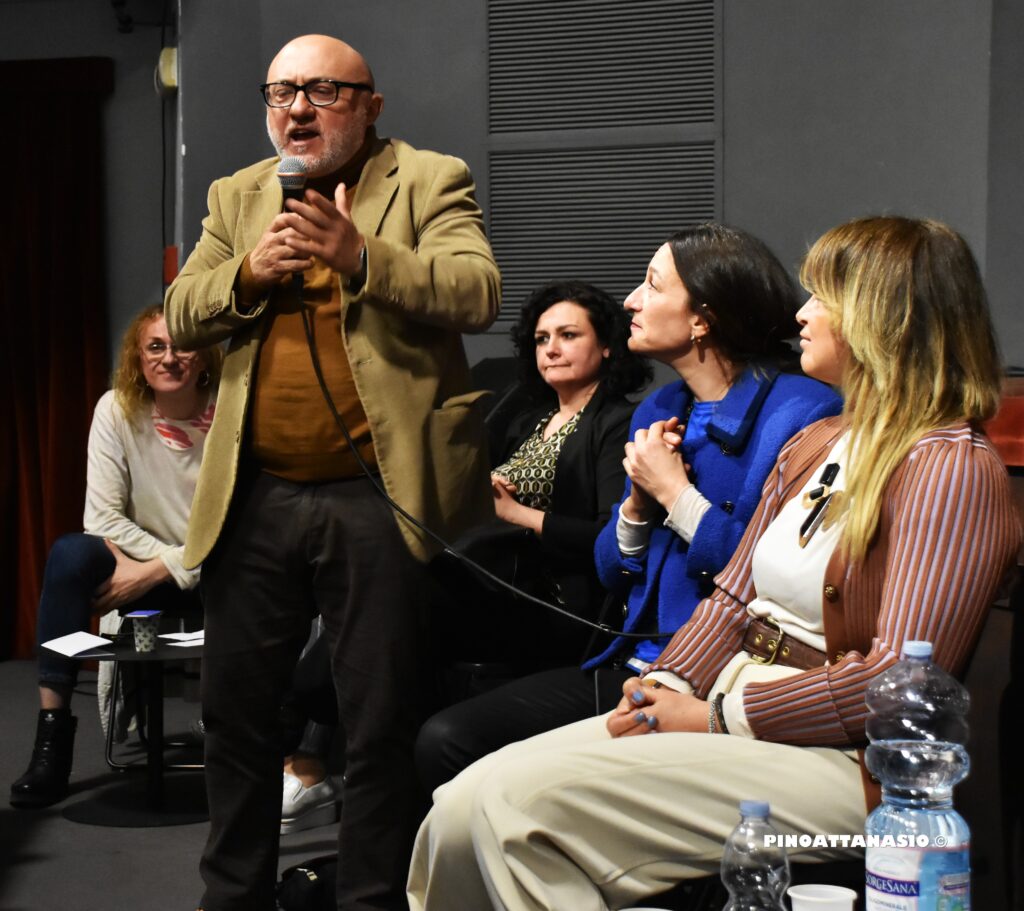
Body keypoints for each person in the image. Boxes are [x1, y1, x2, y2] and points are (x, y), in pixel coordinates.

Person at [407, 216, 1022, 911]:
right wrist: (663, 683)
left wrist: (719, 714)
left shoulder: (950, 466)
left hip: (844, 765)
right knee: (458, 805)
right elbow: (732, 596)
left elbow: (894, 687)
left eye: (822, 298)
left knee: (510, 810)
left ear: (885, 319)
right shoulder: (822, 440)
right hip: (731, 705)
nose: (801, 314)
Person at [164, 34, 499, 911]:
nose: (298, 109)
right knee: (236, 717)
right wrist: (247, 273)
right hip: (257, 493)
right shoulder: (238, 193)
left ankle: (370, 900)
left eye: (322, 90)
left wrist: (360, 256)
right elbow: (181, 311)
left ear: (370, 106)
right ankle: (232, 897)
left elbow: (477, 290)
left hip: (378, 494)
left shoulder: (428, 179)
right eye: (281, 93)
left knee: (379, 719)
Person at [414, 224, 841, 794]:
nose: (631, 301)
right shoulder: (660, 407)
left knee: (459, 747)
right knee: (445, 736)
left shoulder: (802, 411)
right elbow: (611, 569)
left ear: (702, 318)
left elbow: (768, 578)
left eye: (652, 285)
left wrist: (674, 494)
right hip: (637, 663)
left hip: (722, 677)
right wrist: (638, 503)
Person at [9, 305, 220, 809]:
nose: (169, 358)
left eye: (182, 345)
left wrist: (163, 567)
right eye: (156, 347)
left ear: (203, 356)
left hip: (219, 570)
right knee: (70, 554)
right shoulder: (116, 410)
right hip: (142, 568)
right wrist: (158, 567)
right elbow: (102, 520)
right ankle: (52, 739)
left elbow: (242, 520)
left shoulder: (230, 410)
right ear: (138, 359)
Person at [433, 279, 650, 669]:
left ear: (606, 345)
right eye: (541, 339)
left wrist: (516, 512)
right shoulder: (527, 421)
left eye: (568, 335)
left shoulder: (620, 422)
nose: (550, 349)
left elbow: (609, 538)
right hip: (498, 580)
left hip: (554, 601)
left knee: (401, 597)